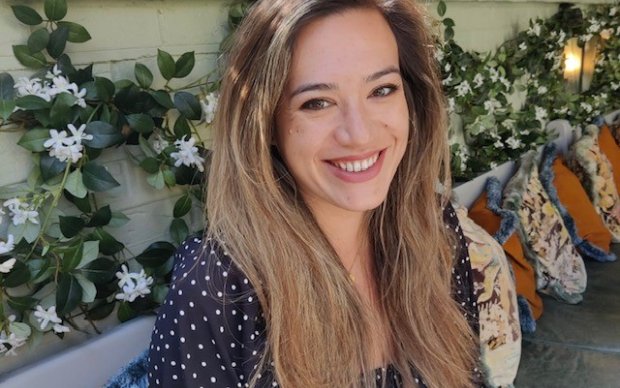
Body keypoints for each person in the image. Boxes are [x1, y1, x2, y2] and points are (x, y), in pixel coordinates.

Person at [147, 0, 481, 387]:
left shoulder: (434, 229)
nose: (359, 134)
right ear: (266, 124)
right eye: (317, 102)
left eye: (382, 89)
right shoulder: (217, 286)